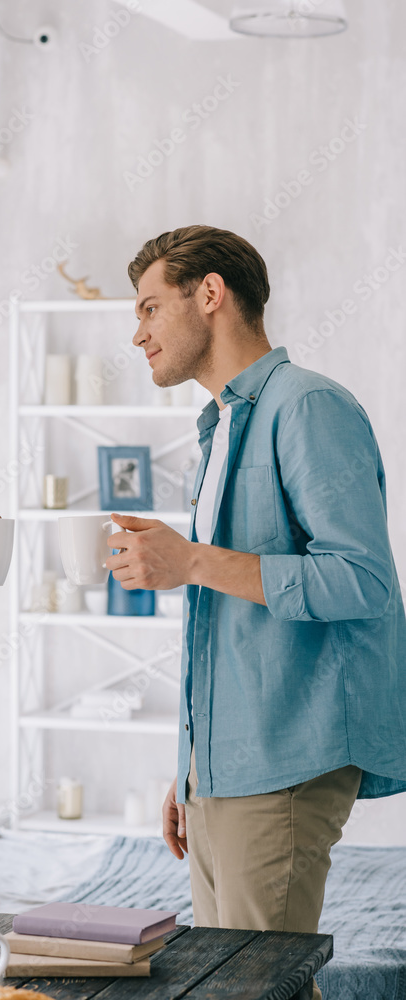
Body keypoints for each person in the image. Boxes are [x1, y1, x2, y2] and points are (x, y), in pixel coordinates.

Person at [107, 225, 406, 1000]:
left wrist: (191, 561)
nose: (135, 334)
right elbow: (225, 625)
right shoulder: (222, 425)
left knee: (246, 990)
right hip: (229, 766)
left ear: (209, 295)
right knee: (230, 986)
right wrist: (191, 764)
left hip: (285, 756)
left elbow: (360, 580)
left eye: (147, 309)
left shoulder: (306, 407)